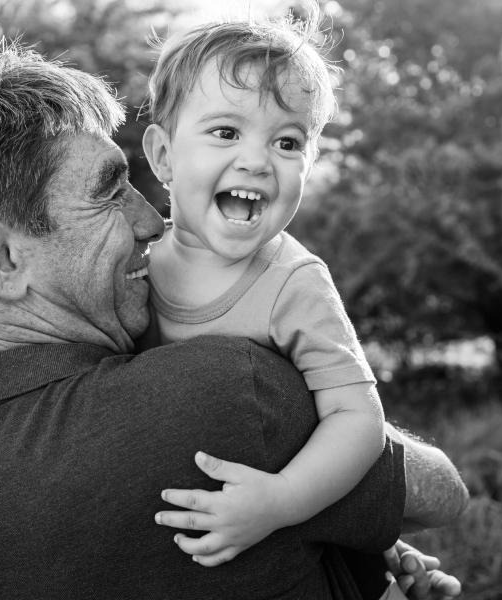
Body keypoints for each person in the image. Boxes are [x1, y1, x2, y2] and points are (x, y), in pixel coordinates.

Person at [0, 42, 467, 600]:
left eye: (288, 143)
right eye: (107, 193)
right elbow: (441, 492)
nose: (151, 223)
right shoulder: (225, 391)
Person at [133, 16, 385, 567]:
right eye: (226, 132)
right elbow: (63, 349)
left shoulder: (293, 281)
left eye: (287, 141)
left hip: (284, 531)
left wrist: (282, 501)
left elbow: (358, 419)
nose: (257, 160)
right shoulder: (133, 267)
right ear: (163, 156)